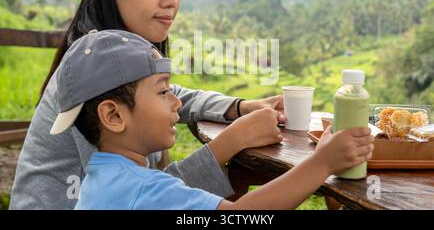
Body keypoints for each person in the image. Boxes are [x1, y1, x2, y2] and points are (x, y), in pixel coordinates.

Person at [10, 0, 286, 210]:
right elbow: (149, 197)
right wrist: (231, 141)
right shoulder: (89, 77)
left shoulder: (104, 60)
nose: (171, 0)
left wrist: (238, 107)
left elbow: (172, 95)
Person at [51, 30, 374, 210]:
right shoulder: (144, 190)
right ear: (114, 115)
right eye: (163, 92)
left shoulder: (104, 177)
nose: (177, 101)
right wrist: (322, 163)